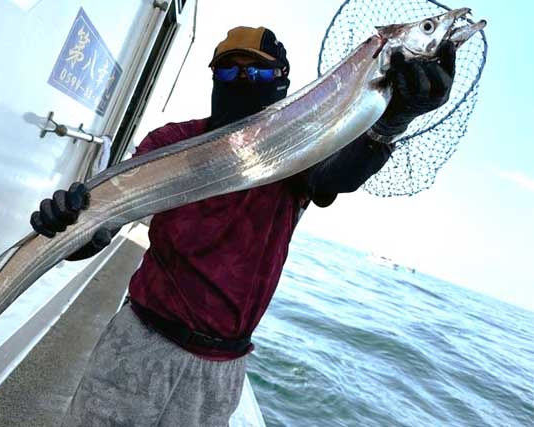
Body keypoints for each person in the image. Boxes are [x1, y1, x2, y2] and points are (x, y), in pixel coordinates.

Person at [31, 26, 456, 426]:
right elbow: (99, 232)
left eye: (256, 70)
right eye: (228, 69)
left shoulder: (300, 149)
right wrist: (69, 226)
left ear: (281, 79)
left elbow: (336, 177)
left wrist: (391, 123)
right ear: (214, 77)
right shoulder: (169, 143)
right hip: (139, 342)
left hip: (219, 372)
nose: (241, 79)